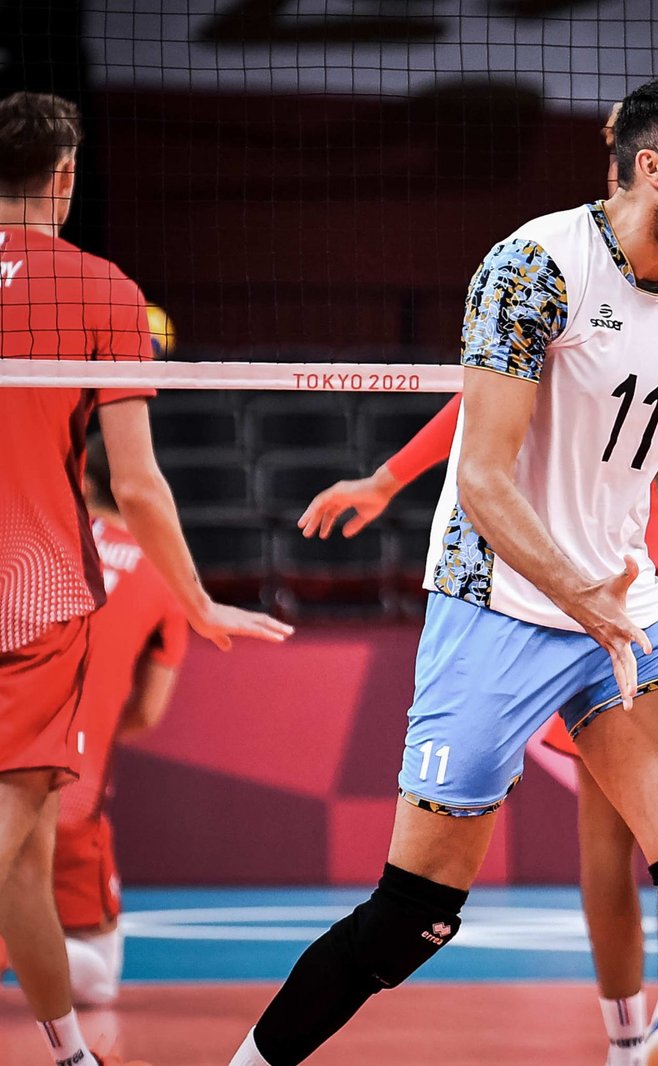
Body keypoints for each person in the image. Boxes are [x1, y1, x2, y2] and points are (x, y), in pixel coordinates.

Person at [230, 73, 658, 1066]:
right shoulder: (536, 264)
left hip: (622, 607)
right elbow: (480, 479)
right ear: (653, 167)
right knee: (414, 915)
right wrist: (574, 592)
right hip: (498, 602)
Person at [0, 90, 293, 1066]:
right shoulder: (102, 290)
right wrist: (196, 600)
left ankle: (69, 1054)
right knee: (10, 838)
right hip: (32, 597)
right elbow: (134, 481)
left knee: (28, 855)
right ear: (65, 176)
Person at [0, 436, 191, 1006]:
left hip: (8, 756)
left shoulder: (26, 544)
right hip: (71, 791)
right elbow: (148, 712)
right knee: (99, 981)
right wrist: (93, 730)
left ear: (80, 483)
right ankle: (16, 944)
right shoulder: (165, 575)